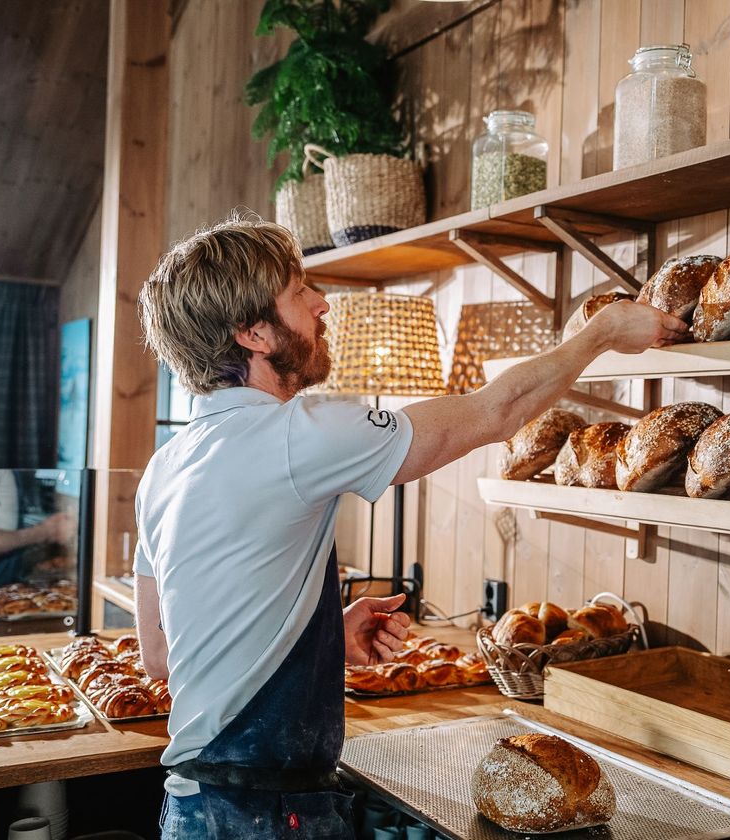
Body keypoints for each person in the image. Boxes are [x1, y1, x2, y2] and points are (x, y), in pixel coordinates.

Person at [133, 218, 686, 839]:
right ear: (252, 333)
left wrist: (319, 643)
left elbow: (161, 656)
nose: (322, 304)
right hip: (268, 819)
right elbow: (497, 412)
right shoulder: (297, 432)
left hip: (192, 808)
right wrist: (601, 334)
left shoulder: (166, 465)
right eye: (298, 291)